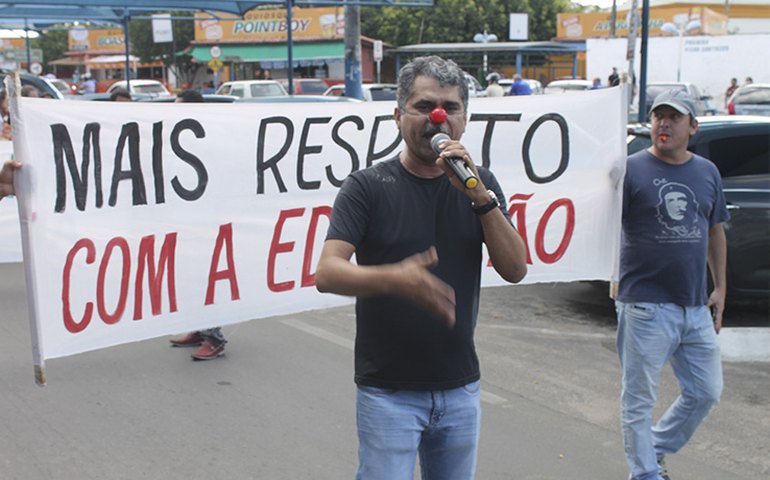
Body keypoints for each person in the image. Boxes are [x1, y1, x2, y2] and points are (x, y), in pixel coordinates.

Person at [315, 55, 527, 480]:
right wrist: (396, 277)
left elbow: (515, 267)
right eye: (424, 106)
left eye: (450, 107)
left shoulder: (478, 185)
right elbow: (327, 273)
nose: (437, 117)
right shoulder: (367, 187)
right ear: (398, 116)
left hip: (460, 389)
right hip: (388, 392)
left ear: (464, 119)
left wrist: (478, 195)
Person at [616, 89, 728, 480]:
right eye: (658, 116)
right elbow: (602, 225)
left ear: (692, 127)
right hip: (645, 304)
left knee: (705, 391)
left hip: (695, 305)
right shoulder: (629, 168)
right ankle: (646, 473)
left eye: (674, 117)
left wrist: (721, 287)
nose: (663, 123)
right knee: (638, 400)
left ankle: (655, 448)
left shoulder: (706, 172)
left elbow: (715, 231)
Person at [168, 88, 227, 360]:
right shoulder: (179, 139)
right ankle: (199, 328)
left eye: (180, 107)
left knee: (207, 279)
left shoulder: (211, 139)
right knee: (189, 277)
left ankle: (214, 337)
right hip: (186, 219)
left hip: (207, 221)